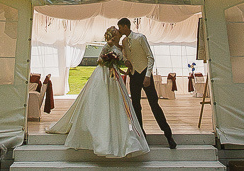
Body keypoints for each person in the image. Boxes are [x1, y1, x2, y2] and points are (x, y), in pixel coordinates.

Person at [46, 26, 149, 158]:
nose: (119, 34)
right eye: (117, 32)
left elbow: (123, 61)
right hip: (103, 75)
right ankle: (98, 130)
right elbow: (99, 60)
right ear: (114, 35)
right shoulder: (108, 45)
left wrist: (125, 64)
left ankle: (114, 128)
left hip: (115, 76)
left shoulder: (121, 48)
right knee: (101, 100)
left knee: (115, 102)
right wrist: (108, 60)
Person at [118, 17, 177, 149]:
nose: (119, 30)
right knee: (135, 106)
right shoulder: (124, 41)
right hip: (134, 76)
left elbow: (150, 57)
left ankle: (168, 134)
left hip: (145, 75)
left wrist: (148, 75)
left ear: (125, 26)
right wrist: (127, 63)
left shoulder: (140, 38)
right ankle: (141, 135)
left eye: (120, 27)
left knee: (154, 104)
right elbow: (128, 56)